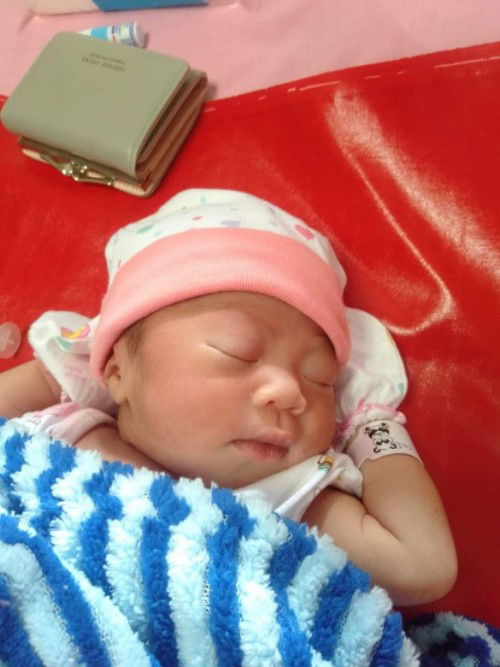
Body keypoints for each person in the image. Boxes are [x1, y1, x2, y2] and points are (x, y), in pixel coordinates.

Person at [0, 188, 457, 607]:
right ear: (117, 371)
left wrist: (371, 421)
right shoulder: (61, 430)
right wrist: (59, 372)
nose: (290, 392)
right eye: (237, 352)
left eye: (319, 379)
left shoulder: (287, 502)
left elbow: (423, 567)